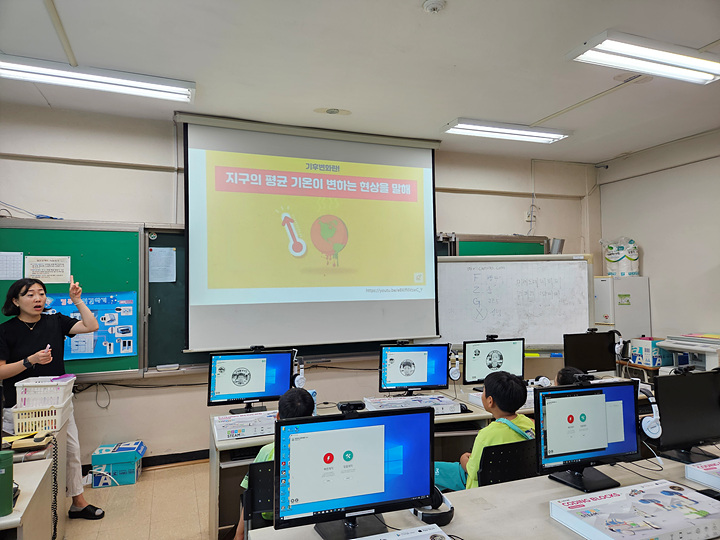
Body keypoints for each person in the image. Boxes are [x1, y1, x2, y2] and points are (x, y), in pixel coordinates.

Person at [0, 277, 104, 520]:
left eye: (41, 293)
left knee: (71, 451)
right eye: (29, 294)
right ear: (16, 301)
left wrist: (77, 300)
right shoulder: (5, 330)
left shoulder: (55, 320)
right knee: (26, 459)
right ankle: (27, 513)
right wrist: (30, 361)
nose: (37, 299)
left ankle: (78, 502)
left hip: (57, 404)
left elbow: (91, 326)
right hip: (19, 407)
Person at [233, 387, 315, 540]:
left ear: (277, 417)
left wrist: (239, 534)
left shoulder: (268, 451)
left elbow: (250, 495)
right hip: (308, 513)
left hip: (271, 517)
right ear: (311, 417)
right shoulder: (318, 449)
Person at [434, 371, 534, 491]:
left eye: (483, 391)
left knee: (429, 469)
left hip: (479, 488)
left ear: (490, 401)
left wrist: (463, 459)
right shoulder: (529, 423)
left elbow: (473, 472)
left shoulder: (486, 435)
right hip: (510, 484)